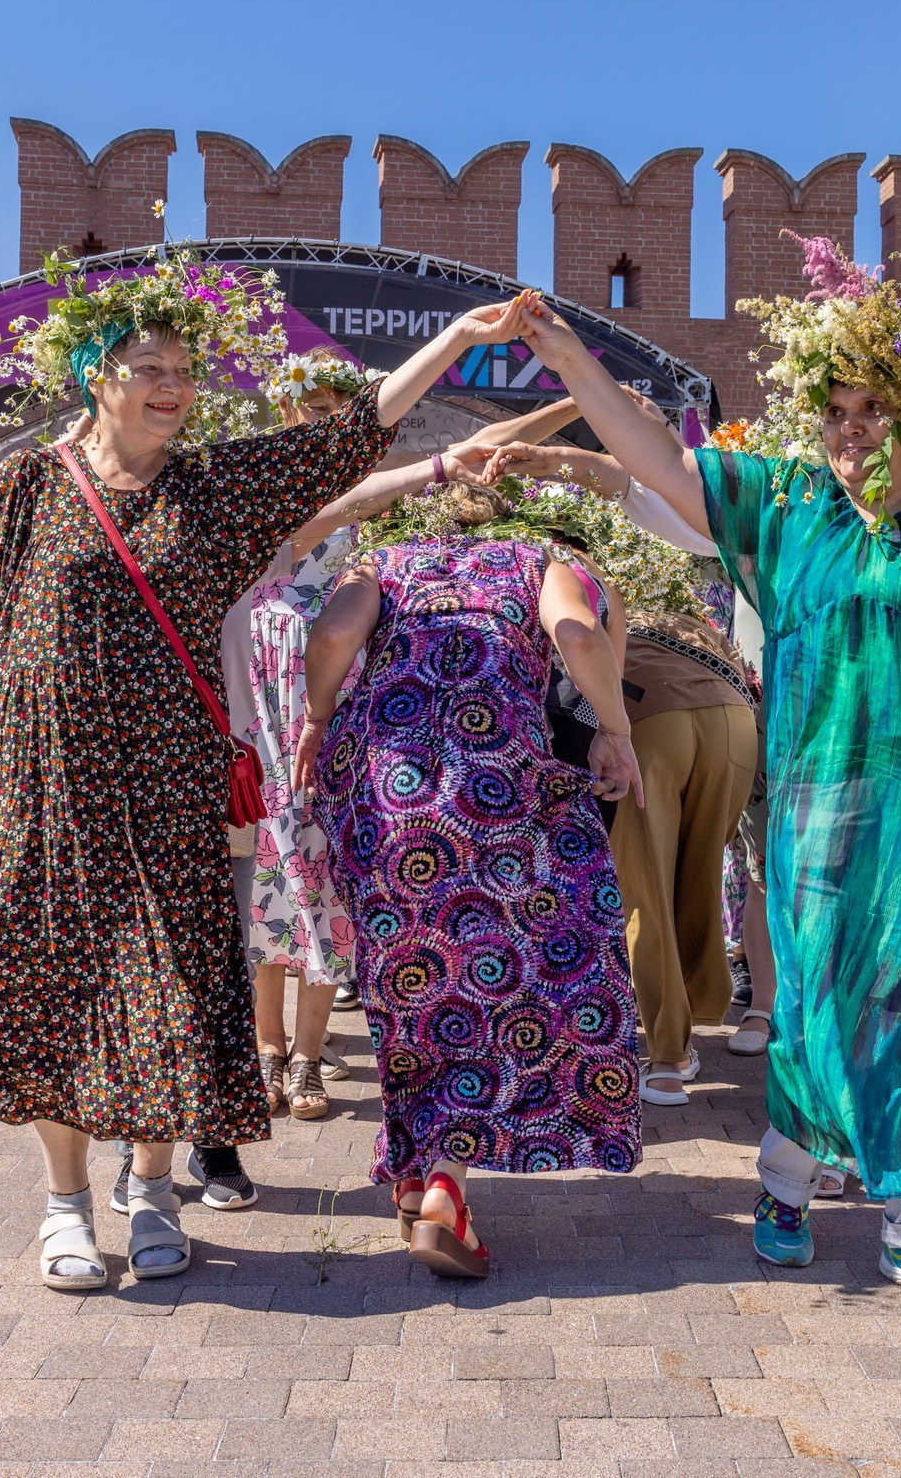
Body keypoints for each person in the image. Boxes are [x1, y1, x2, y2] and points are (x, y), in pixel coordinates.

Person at [0, 258, 516, 1292]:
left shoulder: (213, 490)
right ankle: (64, 1205)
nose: (171, 386)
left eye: (183, 369)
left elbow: (341, 440)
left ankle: (152, 1186)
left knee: (169, 984)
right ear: (98, 375)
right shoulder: (30, 485)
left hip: (166, 778)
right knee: (47, 977)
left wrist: (453, 343)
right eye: (148, 367)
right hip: (38, 778)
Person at [501, 255, 901, 1319]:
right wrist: (571, 363)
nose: (852, 429)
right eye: (835, 411)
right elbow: (662, 458)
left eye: (875, 410)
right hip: (828, 812)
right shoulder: (787, 509)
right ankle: (785, 1182)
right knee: (820, 1003)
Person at [295, 481, 644, 1279]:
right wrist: (614, 735)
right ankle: (449, 1179)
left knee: (410, 977)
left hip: (382, 786)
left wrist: (317, 721)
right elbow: (581, 638)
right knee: (509, 972)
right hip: (493, 785)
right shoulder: (537, 559)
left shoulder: (383, 562)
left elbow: (329, 641)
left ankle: (415, 1169)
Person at [237, 368, 581, 1125]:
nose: (332, 432)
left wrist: (581, 402)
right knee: (273, 865)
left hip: (339, 696)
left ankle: (305, 1056)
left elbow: (477, 446)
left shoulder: (376, 505)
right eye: (317, 415)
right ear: (289, 415)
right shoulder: (265, 497)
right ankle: (263, 1050)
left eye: (342, 417)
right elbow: (359, 499)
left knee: (328, 867)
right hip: (271, 699)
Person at [485, 439, 759, 1109]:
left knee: (644, 888)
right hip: (732, 721)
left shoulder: (528, 574)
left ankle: (668, 1058)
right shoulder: (617, 587)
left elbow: (582, 672)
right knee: (699, 875)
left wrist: (610, 738)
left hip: (654, 725)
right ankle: (704, 1010)